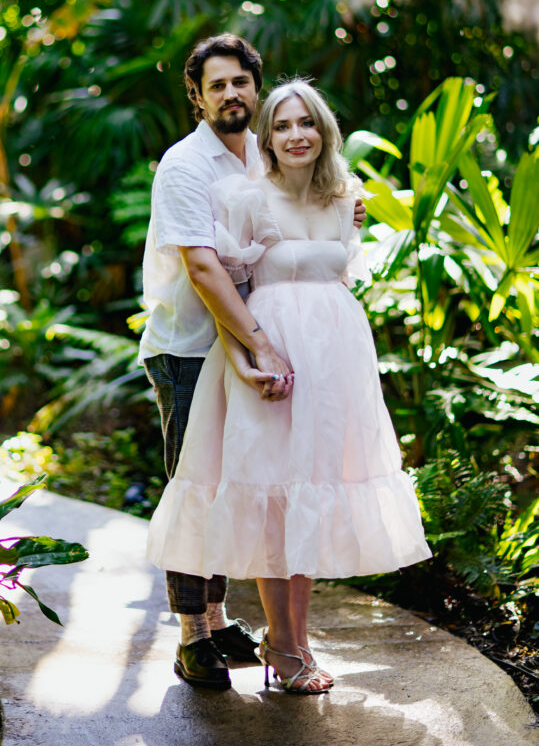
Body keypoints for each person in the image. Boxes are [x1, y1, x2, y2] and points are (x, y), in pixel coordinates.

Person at [147, 79, 432, 694]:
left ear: (323, 131)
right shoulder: (242, 197)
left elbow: (342, 272)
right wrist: (247, 358)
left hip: (337, 362)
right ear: (266, 139)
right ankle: (283, 644)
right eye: (281, 126)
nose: (296, 135)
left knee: (310, 488)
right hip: (272, 354)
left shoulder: (344, 197)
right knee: (271, 493)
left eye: (307, 123)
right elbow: (221, 285)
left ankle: (292, 643)